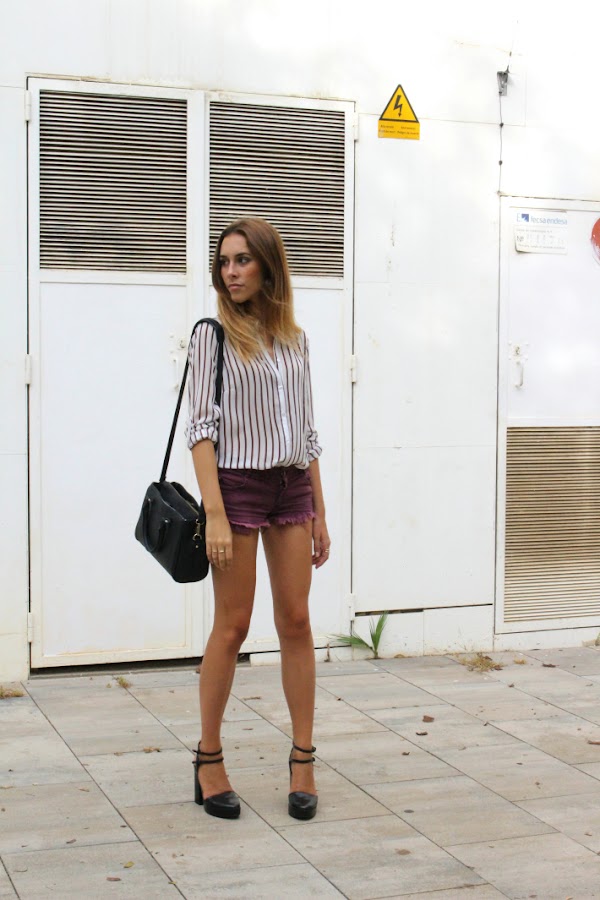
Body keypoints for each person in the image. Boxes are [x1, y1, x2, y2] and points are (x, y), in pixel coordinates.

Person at [185, 217, 330, 821]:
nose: (231, 272)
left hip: (292, 486)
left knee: (296, 621)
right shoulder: (212, 337)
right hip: (237, 489)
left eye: (242, 259)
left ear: (269, 265)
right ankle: (208, 759)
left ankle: (303, 760)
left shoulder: (295, 340)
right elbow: (200, 430)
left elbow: (308, 432)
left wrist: (319, 510)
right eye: (224, 261)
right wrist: (215, 513)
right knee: (233, 627)